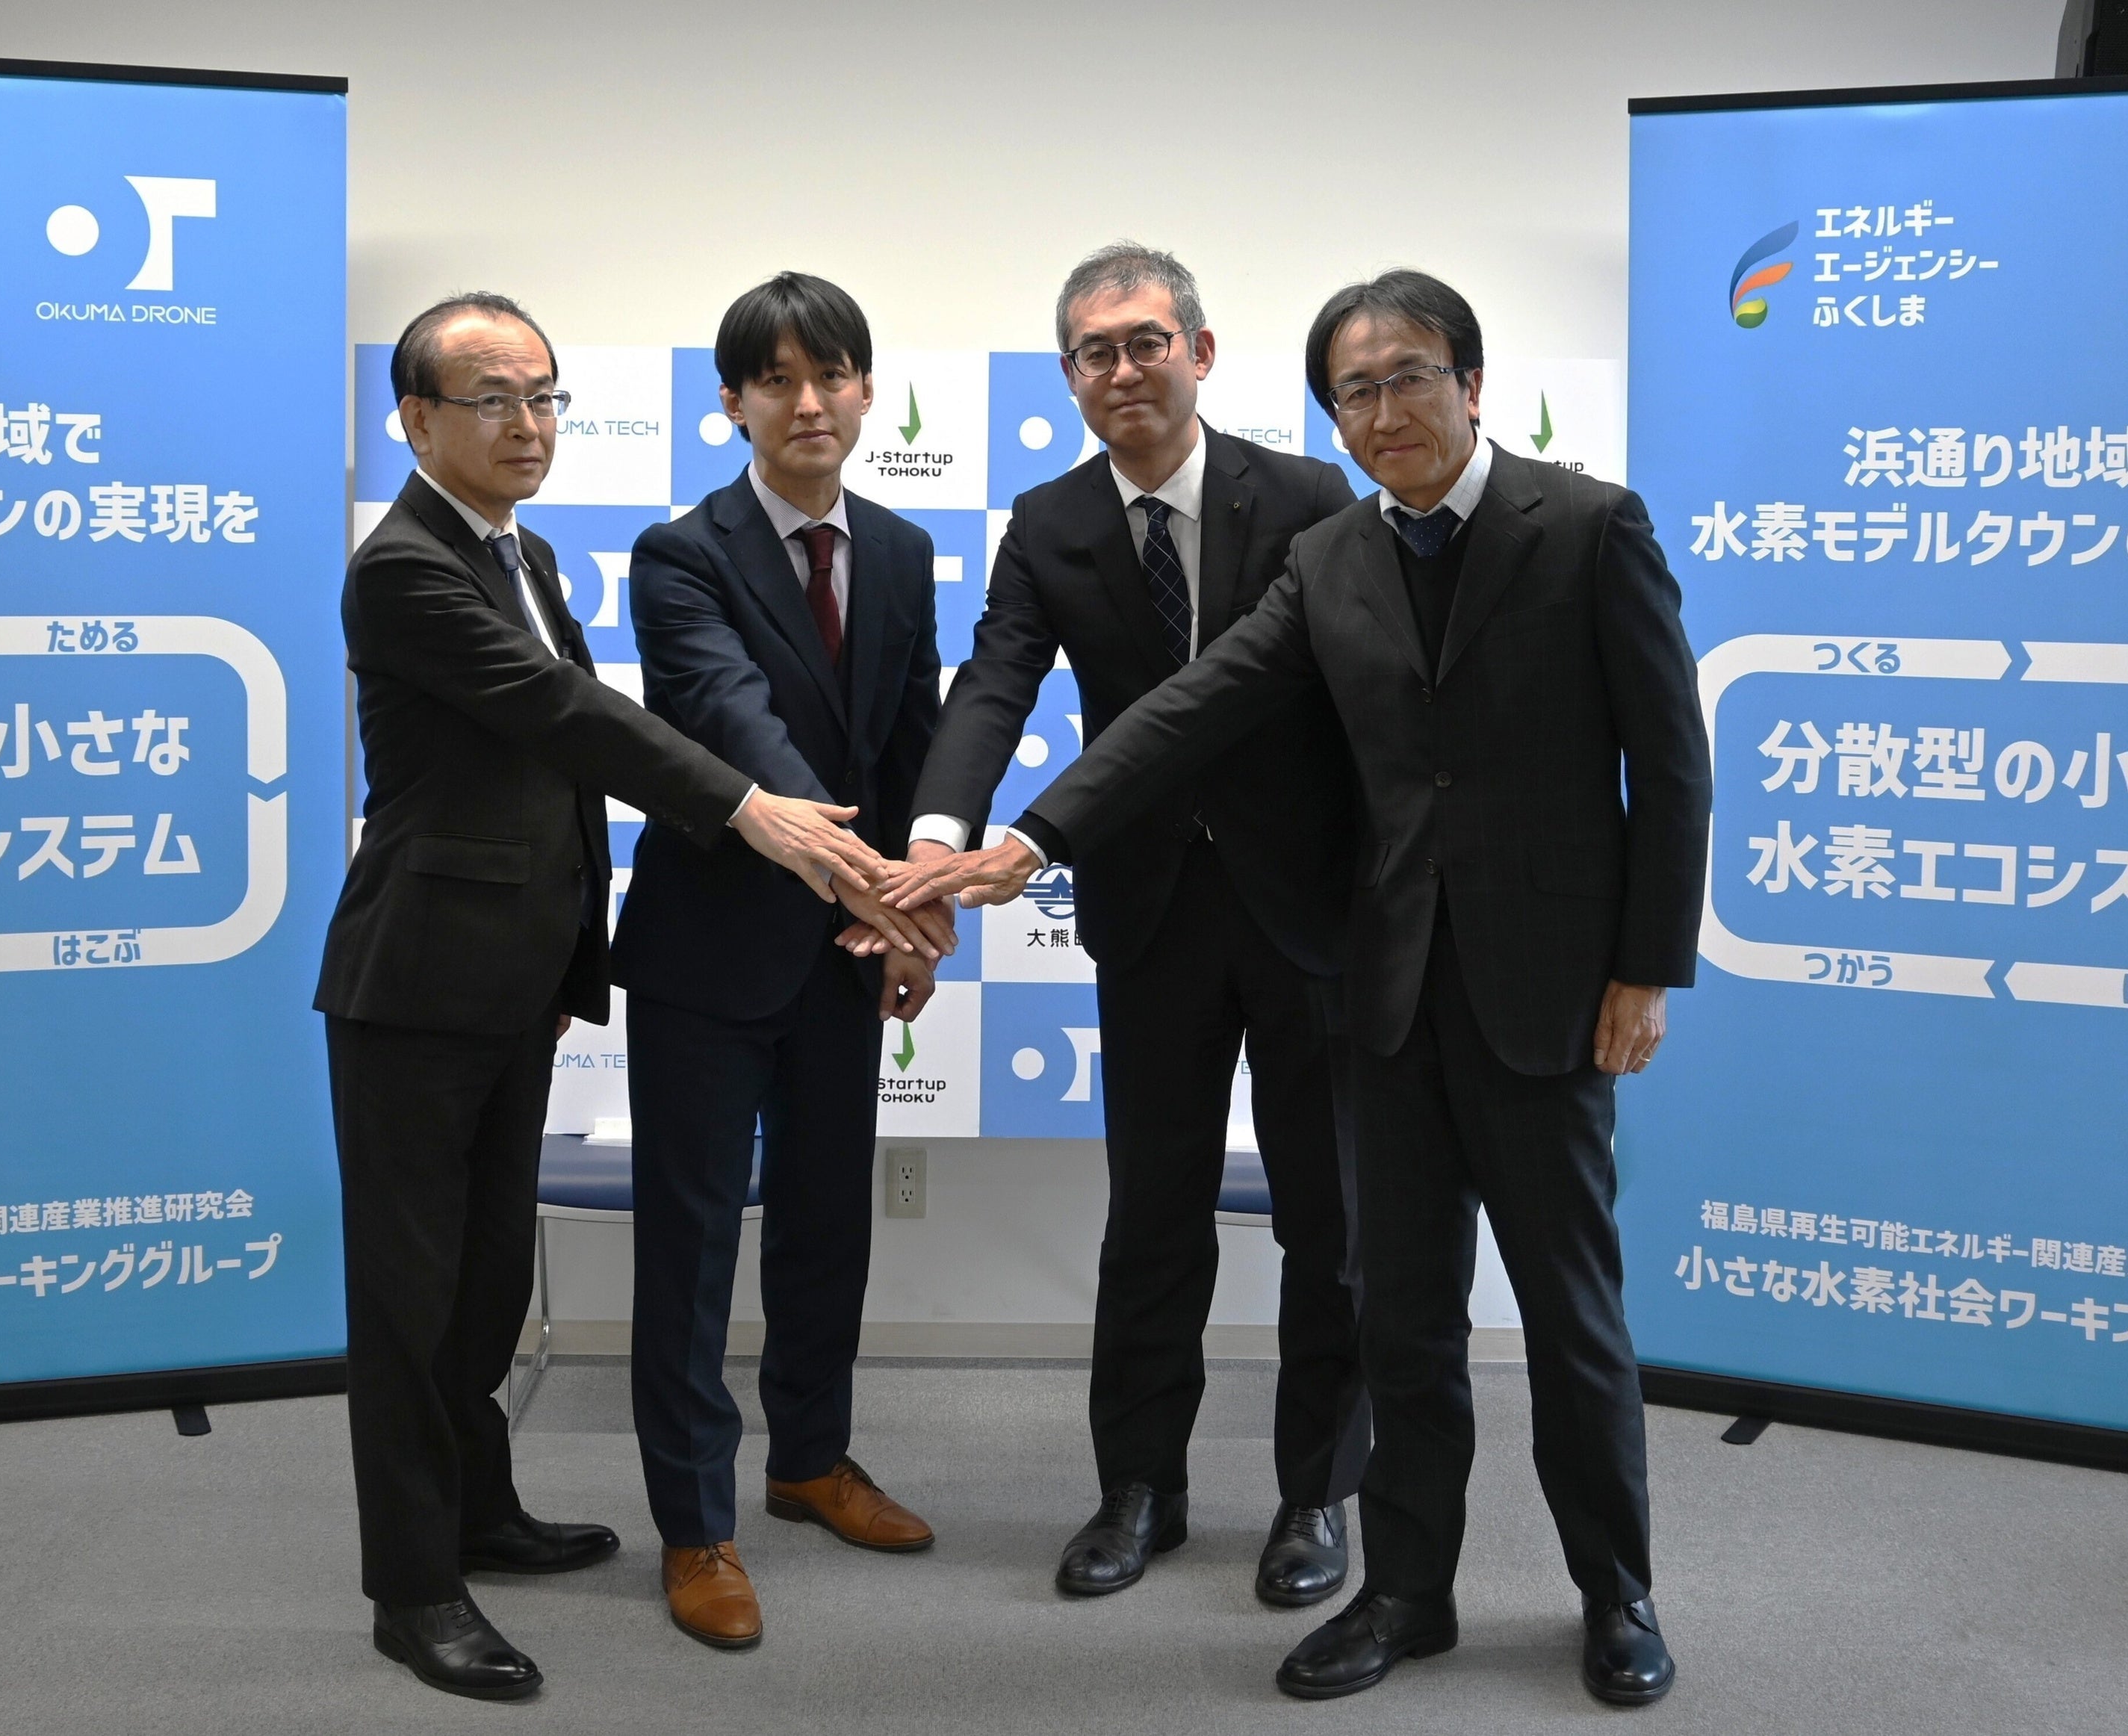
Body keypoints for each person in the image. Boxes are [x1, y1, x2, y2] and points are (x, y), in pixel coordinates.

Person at [892, 270, 1708, 1707]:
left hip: (1536, 993)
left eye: (1409, 378)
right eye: (1356, 390)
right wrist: (1031, 839)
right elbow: (1191, 707)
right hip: (1384, 987)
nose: (1385, 412)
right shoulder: (1333, 557)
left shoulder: (1587, 525)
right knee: (1404, 1316)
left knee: (1570, 1314)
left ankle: (1615, 1592)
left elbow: (1674, 763)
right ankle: (1407, 1591)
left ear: (1471, 381)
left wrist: (1646, 968)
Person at [315, 291, 890, 1702]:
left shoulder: (521, 550)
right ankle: (414, 1587)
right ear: (416, 421)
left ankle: (481, 1512)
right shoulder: (405, 568)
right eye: (492, 400)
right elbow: (569, 717)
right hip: (415, 983)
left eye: (545, 397)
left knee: (484, 1284)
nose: (528, 425)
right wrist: (749, 808)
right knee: (409, 1302)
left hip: (516, 975)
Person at [902, 243, 1368, 1607]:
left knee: (1328, 1217)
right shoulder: (1050, 522)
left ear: (1201, 354)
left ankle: (1317, 1494)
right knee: (1154, 1214)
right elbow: (996, 682)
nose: (1122, 371)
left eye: (1146, 343)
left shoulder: (1307, 496)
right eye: (1094, 353)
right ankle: (1140, 1490)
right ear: (1069, 377)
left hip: (1307, 907)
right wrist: (937, 832)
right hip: (1150, 911)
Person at [612, 273, 950, 1651]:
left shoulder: (907, 548)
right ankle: (695, 1526)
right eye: (776, 380)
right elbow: (729, 716)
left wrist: (913, 913)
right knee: (693, 1244)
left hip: (846, 953)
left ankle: (811, 1461)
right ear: (733, 403)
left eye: (833, 375)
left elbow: (912, 741)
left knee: (826, 1226)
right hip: (709, 951)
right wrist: (865, 877)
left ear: (867, 390)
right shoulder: (679, 553)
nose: (808, 402)